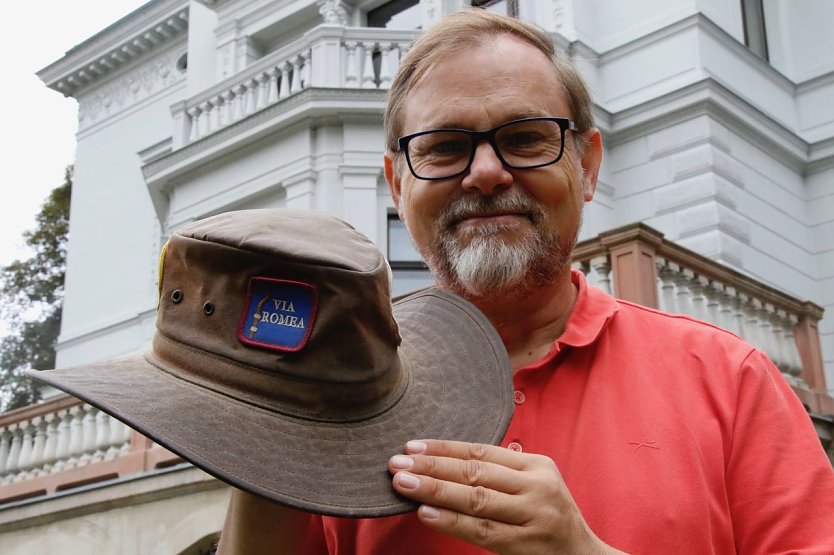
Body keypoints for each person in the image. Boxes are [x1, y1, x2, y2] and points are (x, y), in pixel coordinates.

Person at [217, 9, 834, 554]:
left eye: (525, 138)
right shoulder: (331, 396)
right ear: (398, 183)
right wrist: (275, 426)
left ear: (586, 165)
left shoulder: (731, 379)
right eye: (443, 146)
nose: (486, 173)